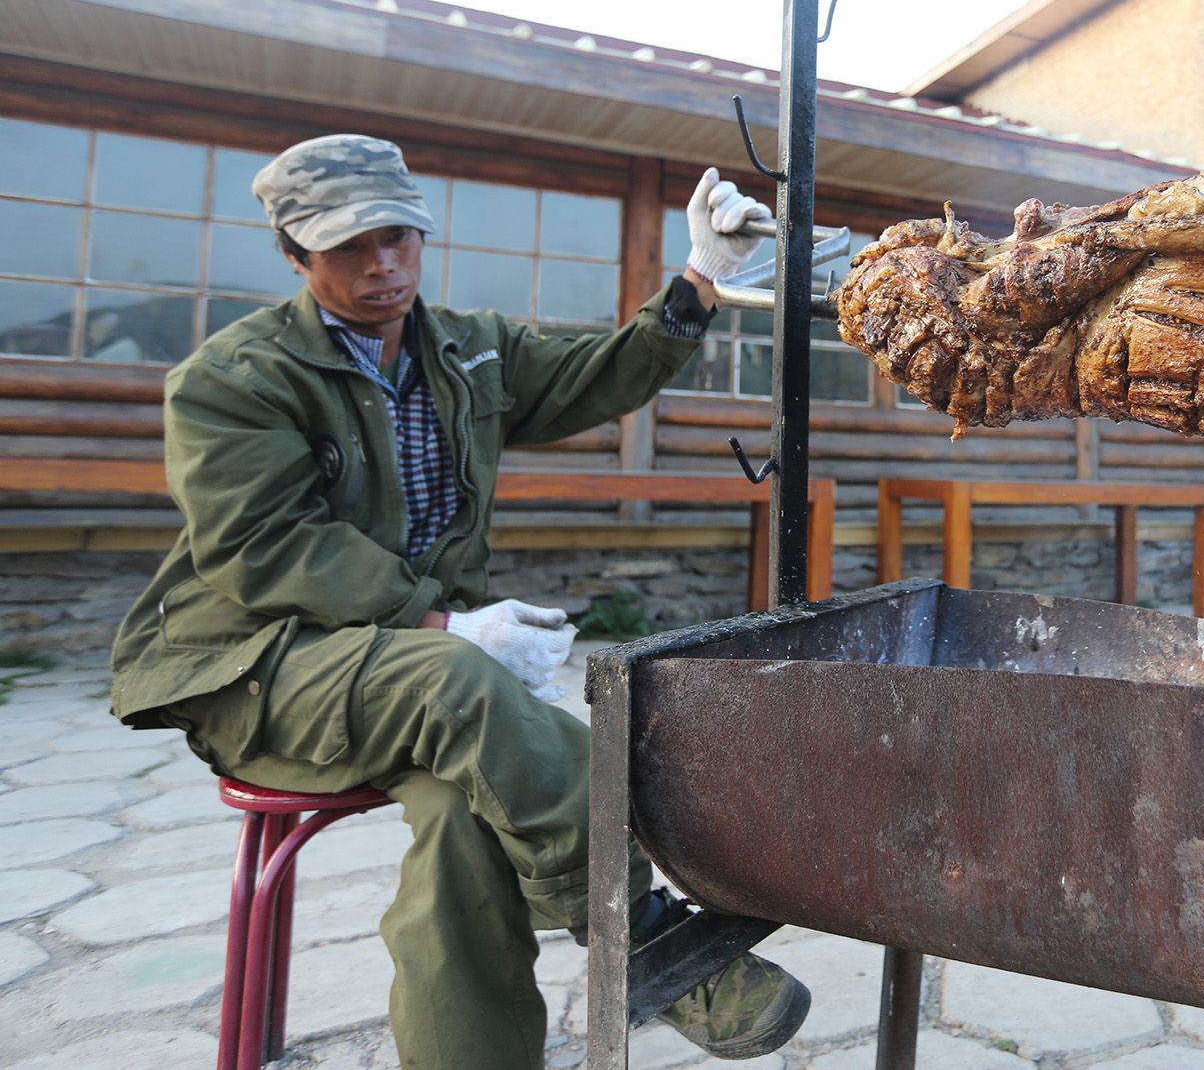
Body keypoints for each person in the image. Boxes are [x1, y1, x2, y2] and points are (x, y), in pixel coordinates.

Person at [108, 135, 810, 1069]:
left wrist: (697, 282)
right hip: (261, 670)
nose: (382, 264)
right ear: (291, 251)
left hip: (401, 676)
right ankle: (651, 939)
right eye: (349, 245)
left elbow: (591, 376)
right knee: (456, 681)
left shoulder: (465, 350)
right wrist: (448, 625)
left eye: (398, 236)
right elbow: (261, 547)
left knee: (463, 821)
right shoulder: (233, 381)